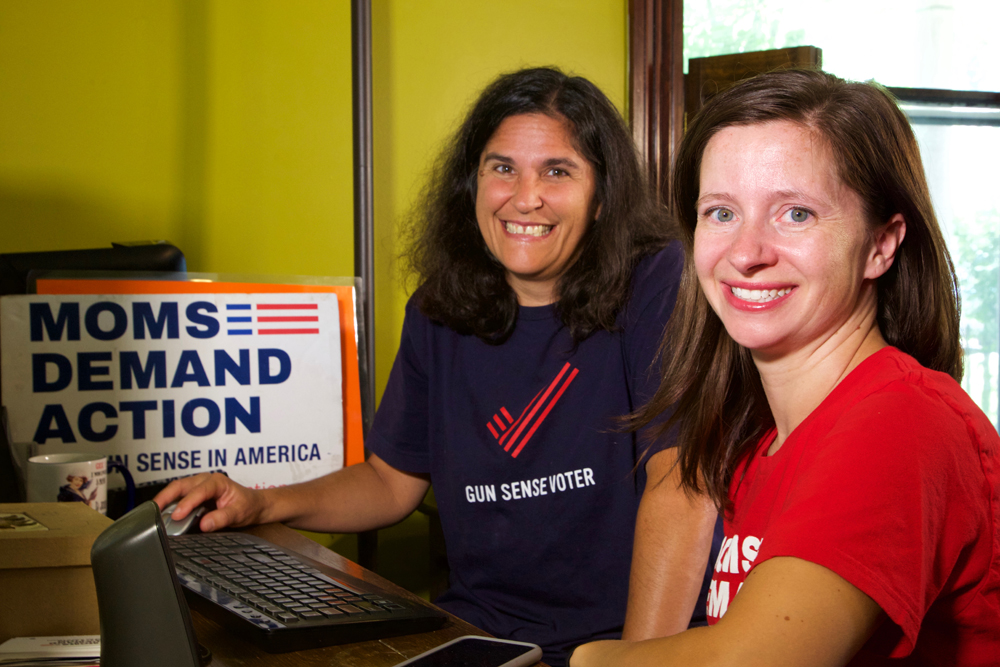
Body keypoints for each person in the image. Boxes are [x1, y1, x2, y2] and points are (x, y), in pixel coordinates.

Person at [155, 67, 721, 666]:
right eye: (502, 168)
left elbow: (682, 483)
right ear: (471, 185)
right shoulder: (438, 309)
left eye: (557, 171)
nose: (524, 197)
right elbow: (389, 481)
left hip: (613, 645)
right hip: (476, 641)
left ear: (603, 197)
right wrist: (260, 501)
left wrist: (632, 663)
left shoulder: (658, 283)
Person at [570, 69, 1000, 667]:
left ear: (882, 244)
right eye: (720, 213)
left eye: (795, 213)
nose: (746, 253)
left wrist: (587, 659)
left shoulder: (902, 420)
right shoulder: (759, 445)